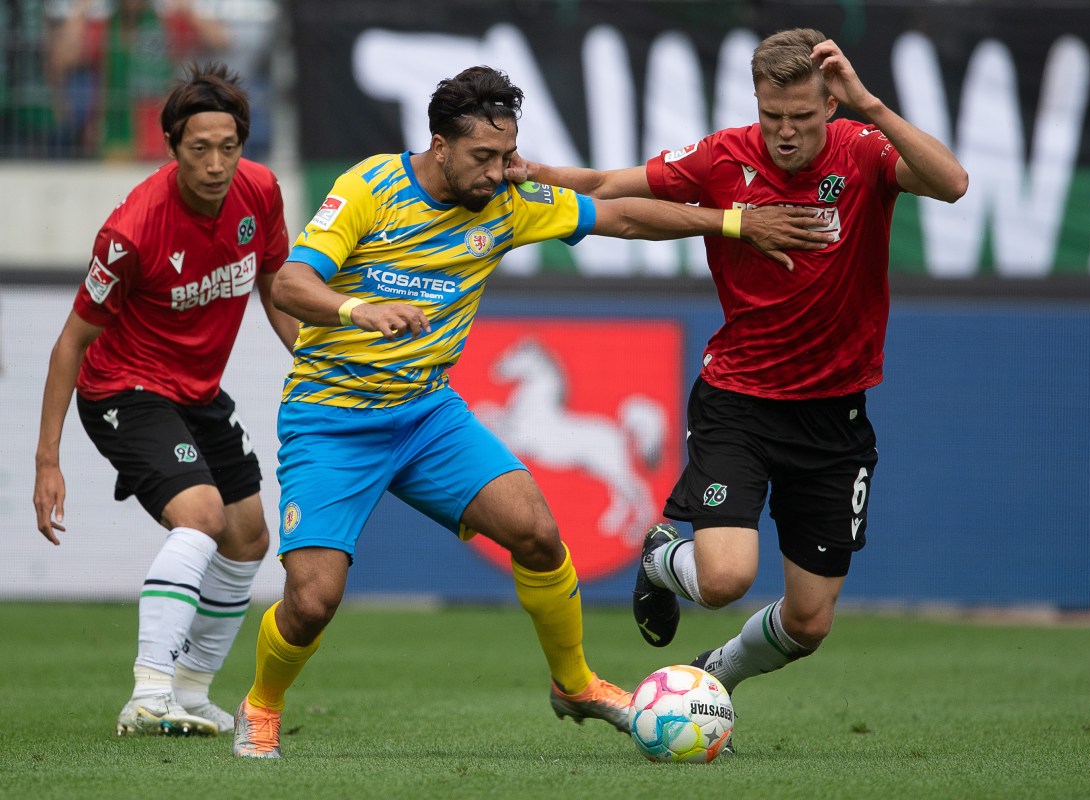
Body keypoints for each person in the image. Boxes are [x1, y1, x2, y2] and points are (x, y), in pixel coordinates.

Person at [230, 64, 833, 759]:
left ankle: (574, 684)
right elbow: (291, 283)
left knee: (539, 534)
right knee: (311, 602)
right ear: (439, 143)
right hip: (331, 420)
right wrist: (357, 308)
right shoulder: (370, 187)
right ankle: (261, 706)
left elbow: (624, 216)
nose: (498, 172)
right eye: (483, 158)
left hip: (426, 416)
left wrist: (733, 221)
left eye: (507, 155)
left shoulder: (509, 200)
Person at [506, 27, 969, 729]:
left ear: (831, 105)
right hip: (740, 402)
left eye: (803, 118)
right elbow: (609, 188)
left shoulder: (865, 149)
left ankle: (709, 676)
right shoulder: (724, 156)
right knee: (723, 579)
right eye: (771, 116)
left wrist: (872, 105)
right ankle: (666, 557)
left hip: (834, 419)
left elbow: (954, 184)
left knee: (810, 623)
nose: (785, 133)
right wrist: (535, 173)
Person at [33, 62, 297, 737]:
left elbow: (275, 285)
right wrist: (47, 463)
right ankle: (148, 692)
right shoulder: (131, 232)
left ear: (244, 143)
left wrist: (312, 357)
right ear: (173, 147)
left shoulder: (261, 192)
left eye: (228, 146)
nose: (216, 164)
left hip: (199, 392)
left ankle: (191, 689)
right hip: (124, 388)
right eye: (199, 148)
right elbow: (69, 345)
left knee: (248, 538)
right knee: (203, 515)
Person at [44, 0, 228, 159]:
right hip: (111, 134)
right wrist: (79, 11)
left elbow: (219, 40)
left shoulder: (167, 25)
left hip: (158, 136)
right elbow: (62, 60)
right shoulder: (103, 27)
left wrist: (187, 7)